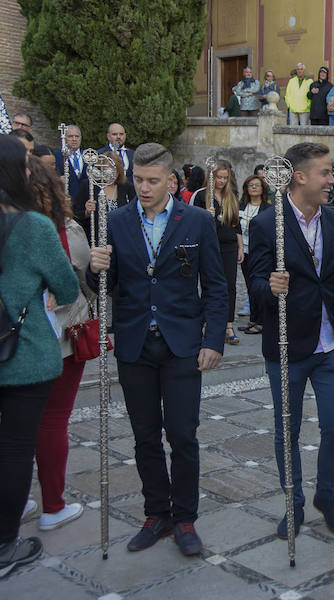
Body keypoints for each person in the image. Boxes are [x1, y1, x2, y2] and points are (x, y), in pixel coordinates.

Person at [86, 143, 227, 556]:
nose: (144, 188)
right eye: (138, 179)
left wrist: (213, 339)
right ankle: (157, 512)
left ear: (170, 179)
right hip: (134, 344)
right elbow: (104, 290)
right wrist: (94, 269)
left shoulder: (197, 221)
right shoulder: (116, 222)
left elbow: (216, 286)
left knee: (183, 435)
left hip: (182, 343)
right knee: (145, 436)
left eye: (152, 180)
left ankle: (184, 518)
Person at [246, 142, 334, 539]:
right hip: (288, 346)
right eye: (325, 172)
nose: (332, 179)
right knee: (286, 430)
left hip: (330, 345)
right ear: (301, 177)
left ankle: (326, 496)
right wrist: (269, 287)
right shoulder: (265, 223)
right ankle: (294, 503)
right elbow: (253, 284)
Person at [0, 135, 80, 577]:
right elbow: (67, 287)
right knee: (14, 450)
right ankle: (5, 545)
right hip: (22, 354)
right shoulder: (32, 227)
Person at [26, 156, 91, 531]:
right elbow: (78, 266)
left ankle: (17, 501)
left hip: (17, 338)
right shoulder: (61, 228)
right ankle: (53, 505)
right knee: (52, 421)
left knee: (17, 425)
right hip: (60, 335)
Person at [190, 160, 243, 345]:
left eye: (225, 178)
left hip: (229, 244)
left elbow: (237, 225)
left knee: (230, 285)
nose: (221, 181)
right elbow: (192, 221)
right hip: (209, 244)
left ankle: (228, 324)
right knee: (209, 283)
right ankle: (206, 322)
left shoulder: (231, 196)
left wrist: (240, 246)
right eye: (218, 177)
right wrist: (206, 214)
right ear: (211, 177)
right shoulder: (201, 195)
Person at [237, 175, 271, 335]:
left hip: (260, 252)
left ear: (263, 188)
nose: (254, 188)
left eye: (257, 185)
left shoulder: (267, 208)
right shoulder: (242, 206)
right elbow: (236, 227)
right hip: (244, 250)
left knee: (260, 286)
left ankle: (263, 321)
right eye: (251, 185)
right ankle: (253, 319)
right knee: (250, 286)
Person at [76, 151, 135, 241]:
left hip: (121, 238)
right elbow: (76, 214)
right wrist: (87, 212)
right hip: (94, 239)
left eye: (113, 171)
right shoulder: (89, 186)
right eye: (106, 170)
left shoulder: (127, 187)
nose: (109, 174)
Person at [53, 124, 87, 197]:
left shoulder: (87, 156)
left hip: (85, 201)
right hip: (65, 198)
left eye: (77, 136)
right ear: (64, 138)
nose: (74, 139)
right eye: (70, 136)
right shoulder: (56, 155)